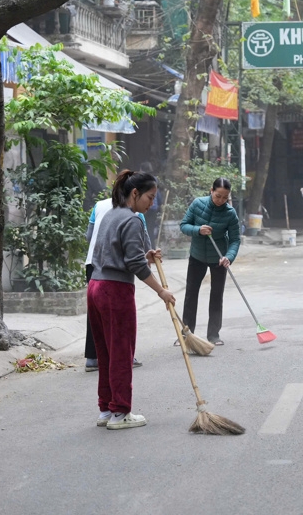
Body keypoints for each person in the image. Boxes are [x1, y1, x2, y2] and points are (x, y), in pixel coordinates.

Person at [88, 170, 175, 430]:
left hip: (95, 286)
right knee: (122, 353)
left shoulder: (110, 214)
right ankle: (121, 413)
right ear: (135, 193)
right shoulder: (132, 219)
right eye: (150, 197)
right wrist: (161, 291)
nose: (152, 204)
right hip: (115, 291)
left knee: (105, 352)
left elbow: (119, 253)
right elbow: (134, 264)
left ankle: (106, 409)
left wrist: (146, 255)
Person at [83, 197, 145, 372]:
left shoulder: (99, 206)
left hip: (93, 265)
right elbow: (140, 245)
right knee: (118, 317)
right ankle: (123, 356)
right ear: (134, 192)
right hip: (116, 271)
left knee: (96, 314)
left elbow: (89, 236)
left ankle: (93, 358)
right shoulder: (135, 213)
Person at [179, 177, 241, 346]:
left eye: (225, 197)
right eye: (218, 195)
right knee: (191, 294)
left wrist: (229, 256)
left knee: (216, 295)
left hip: (218, 258)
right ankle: (186, 334)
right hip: (197, 256)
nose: (220, 200)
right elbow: (184, 225)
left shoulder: (230, 213)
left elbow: (235, 239)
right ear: (211, 191)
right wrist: (198, 230)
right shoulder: (198, 204)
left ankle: (213, 334)